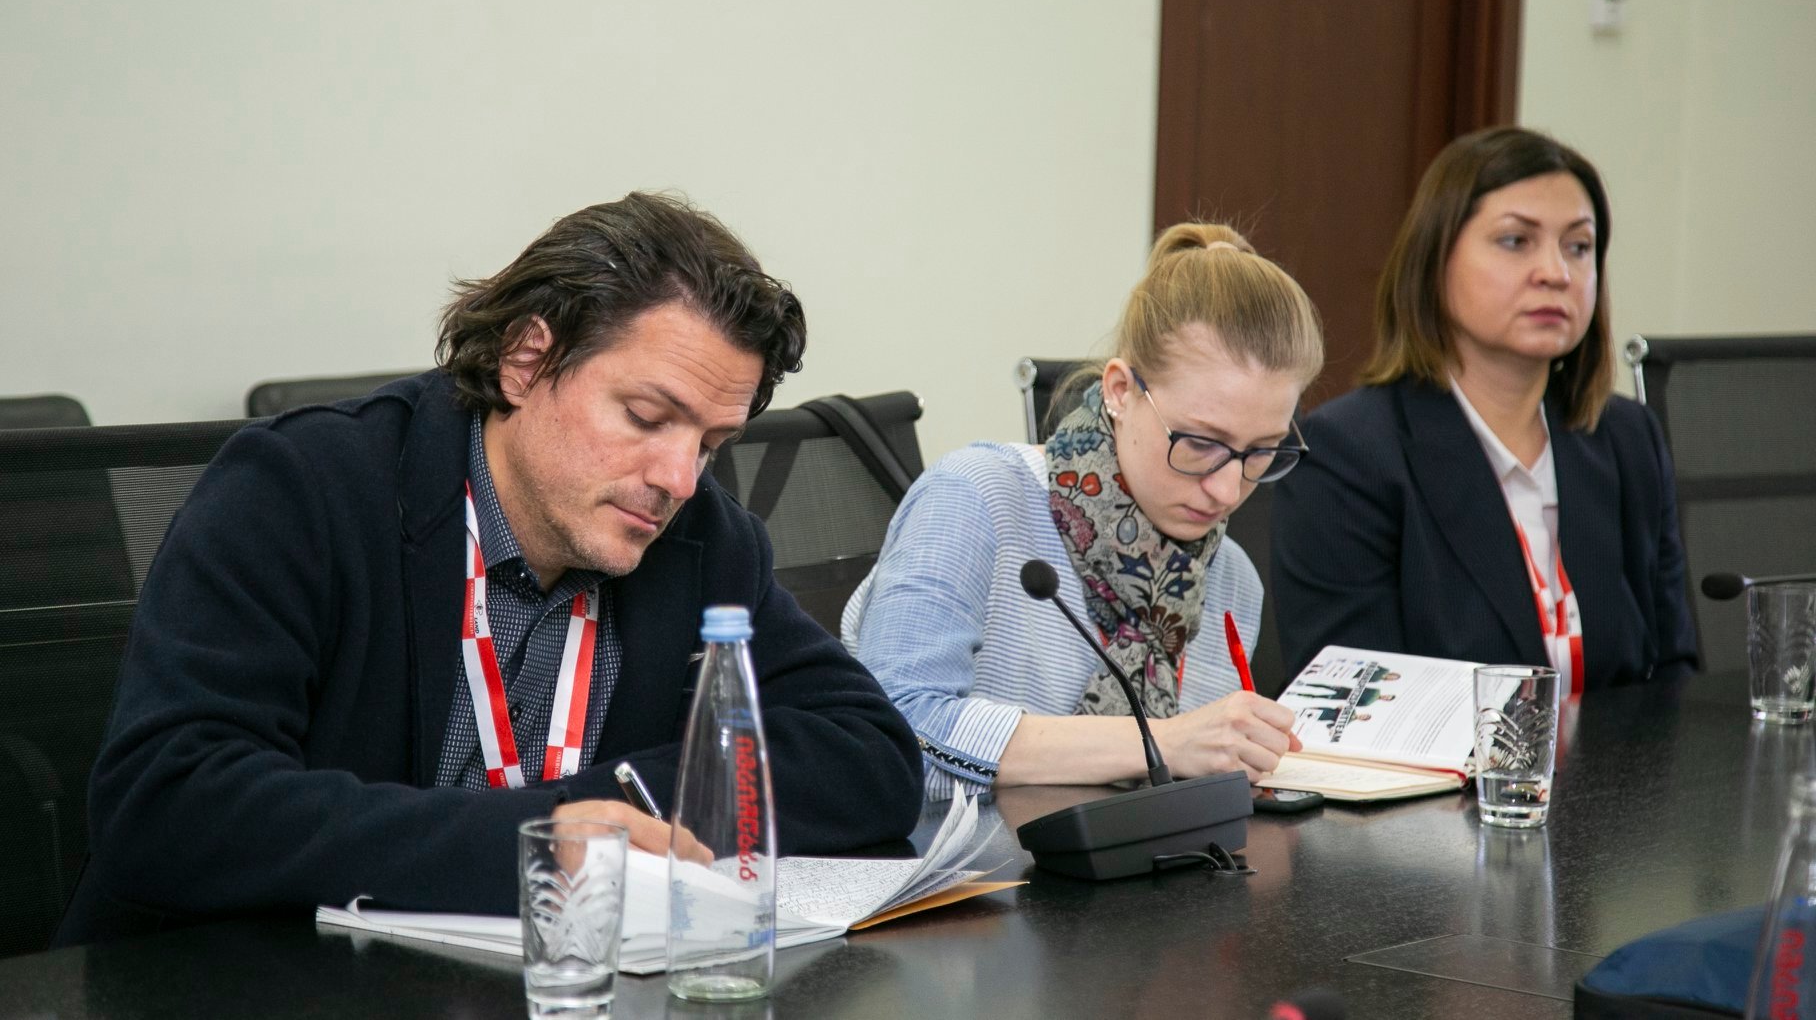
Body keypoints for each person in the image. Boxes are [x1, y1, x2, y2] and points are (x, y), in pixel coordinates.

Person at [57, 193, 922, 944]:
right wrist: (539, 839)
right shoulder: (300, 489)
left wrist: (616, 812)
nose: (679, 478)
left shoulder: (703, 541)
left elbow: (870, 757)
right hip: (249, 981)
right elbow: (167, 802)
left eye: (711, 442)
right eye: (646, 415)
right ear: (526, 360)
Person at [843, 223, 1324, 799]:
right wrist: (1163, 743)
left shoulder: (1231, 579)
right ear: (1120, 390)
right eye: (1200, 443)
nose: (1226, 491)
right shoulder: (973, 498)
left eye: (1262, 452)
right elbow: (891, 735)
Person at [1271, 127, 1697, 692]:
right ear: (1435, 259)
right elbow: (1360, 711)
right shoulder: (1349, 454)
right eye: (1516, 241)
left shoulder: (1627, 439)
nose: (1556, 273)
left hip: (1623, 756)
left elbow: (1674, 679)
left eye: (1578, 246)